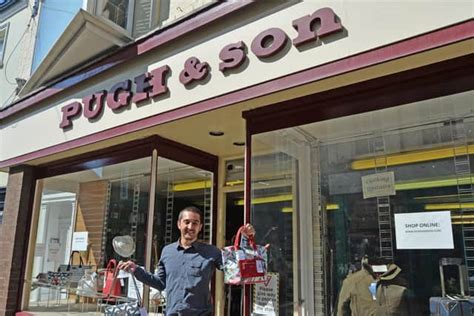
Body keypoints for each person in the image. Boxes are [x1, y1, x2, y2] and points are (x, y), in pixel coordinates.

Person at [117, 206, 255, 316]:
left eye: (195, 223)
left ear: (200, 227)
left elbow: (236, 269)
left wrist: (246, 241)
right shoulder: (167, 251)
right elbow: (160, 283)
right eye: (187, 222)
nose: (190, 227)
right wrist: (136, 270)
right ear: (179, 224)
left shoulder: (212, 252)